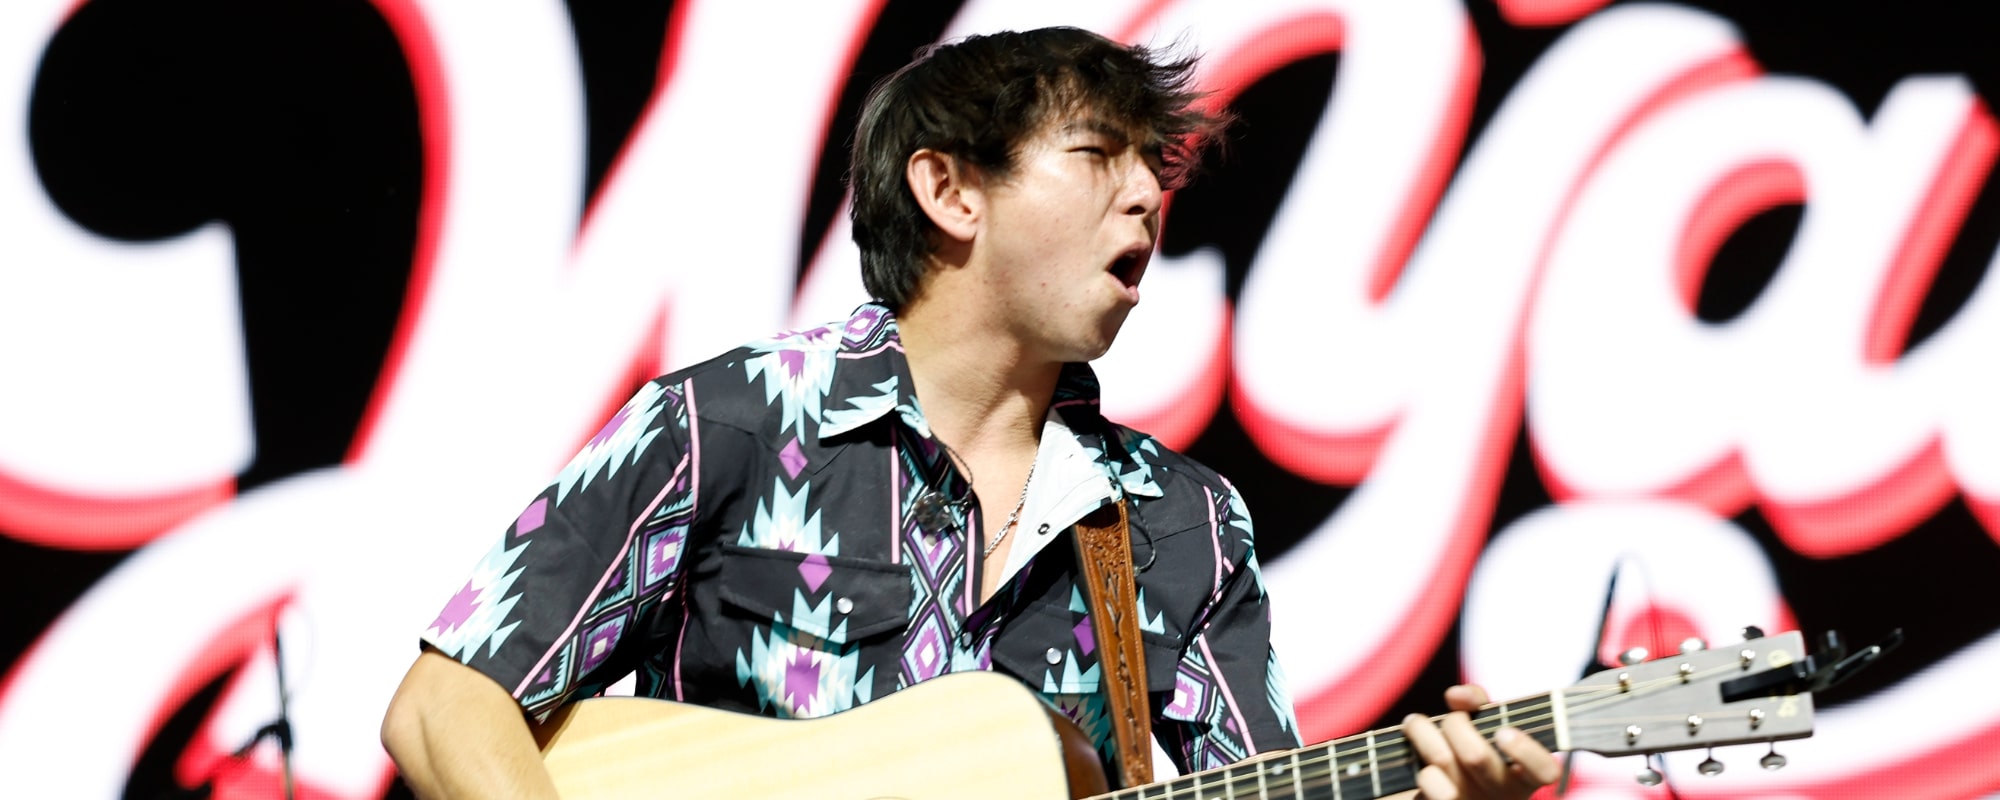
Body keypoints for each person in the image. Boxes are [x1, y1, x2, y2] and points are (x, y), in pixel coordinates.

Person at [380, 26, 1559, 799]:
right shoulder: (731, 421)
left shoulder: (1181, 525)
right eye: (1101, 152)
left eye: (1157, 167)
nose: (1149, 192)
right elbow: (446, 703)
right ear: (948, 190)